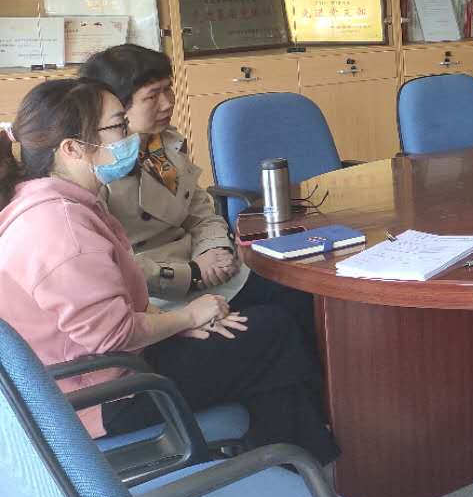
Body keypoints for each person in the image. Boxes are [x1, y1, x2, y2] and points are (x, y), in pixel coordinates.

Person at [0, 78, 337, 463]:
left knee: (256, 335)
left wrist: (176, 324)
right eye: (118, 127)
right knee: (269, 333)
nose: (129, 137)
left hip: (103, 371)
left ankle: (292, 460)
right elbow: (112, 335)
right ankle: (306, 461)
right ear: (72, 148)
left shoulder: (45, 201)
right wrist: (187, 316)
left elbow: (113, 311)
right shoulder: (62, 229)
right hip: (105, 396)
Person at [79, 44, 316, 343]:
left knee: (299, 291)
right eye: (152, 96)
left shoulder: (164, 144)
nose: (167, 103)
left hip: (207, 266)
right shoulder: (100, 169)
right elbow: (118, 265)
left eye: (168, 89)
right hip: (162, 293)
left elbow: (201, 209)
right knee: (275, 326)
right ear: (115, 106)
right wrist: (192, 272)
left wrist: (213, 249)